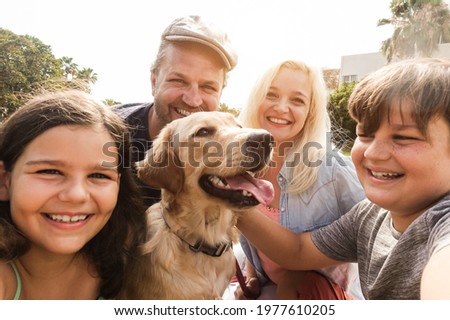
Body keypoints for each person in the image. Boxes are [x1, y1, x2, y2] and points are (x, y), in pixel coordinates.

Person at [237, 58, 450, 299]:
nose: (373, 153)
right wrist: (227, 197)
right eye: (365, 134)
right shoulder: (368, 216)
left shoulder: (442, 226)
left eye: (403, 137)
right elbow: (296, 251)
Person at [235, 60, 365, 300]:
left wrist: (303, 274)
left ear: (310, 112)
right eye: (271, 95)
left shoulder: (331, 167)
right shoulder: (242, 166)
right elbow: (254, 237)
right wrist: (252, 274)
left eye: (297, 100)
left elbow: (372, 236)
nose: (282, 107)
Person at [0, 90, 147, 299]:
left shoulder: (130, 258)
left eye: (98, 175)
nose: (76, 195)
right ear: (4, 181)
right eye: (49, 171)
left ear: (118, 185)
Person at [113, 15, 238, 207]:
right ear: (154, 82)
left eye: (208, 87)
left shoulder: (230, 153)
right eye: (179, 81)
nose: (193, 99)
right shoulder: (107, 134)